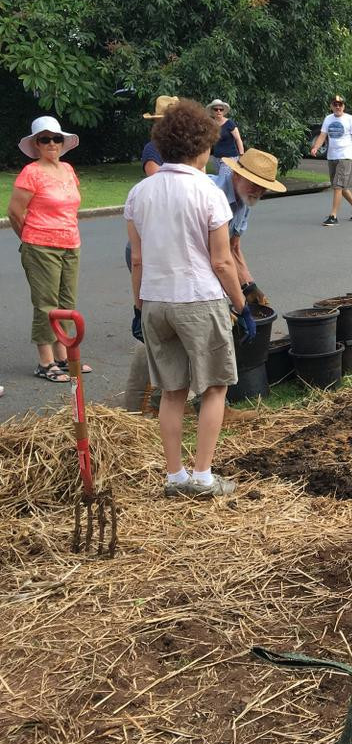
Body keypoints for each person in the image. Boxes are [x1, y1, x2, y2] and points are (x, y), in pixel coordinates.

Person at [124, 99, 256, 498]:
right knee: (214, 387)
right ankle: (202, 476)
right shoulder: (208, 191)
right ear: (203, 145)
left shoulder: (139, 192)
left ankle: (174, 476)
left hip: (156, 300)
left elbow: (138, 259)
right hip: (198, 299)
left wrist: (138, 307)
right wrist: (241, 304)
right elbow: (221, 261)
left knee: (171, 390)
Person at [8, 116, 89, 383]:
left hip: (70, 244)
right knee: (46, 305)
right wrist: (31, 240)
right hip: (41, 246)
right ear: (36, 144)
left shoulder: (67, 169)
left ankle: (63, 357)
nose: (52, 143)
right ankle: (45, 362)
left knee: (67, 303)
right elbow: (15, 213)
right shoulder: (31, 172)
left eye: (56, 138)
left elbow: (71, 206)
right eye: (45, 139)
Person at [122, 96, 179, 411]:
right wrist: (137, 305)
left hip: (164, 247)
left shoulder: (176, 153)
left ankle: (157, 402)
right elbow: (160, 184)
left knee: (163, 327)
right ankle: (134, 408)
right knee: (149, 330)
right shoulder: (152, 151)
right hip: (149, 247)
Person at [211, 147, 284, 306]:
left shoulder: (245, 199)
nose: (260, 192)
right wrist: (240, 304)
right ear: (236, 175)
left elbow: (233, 247)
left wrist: (249, 286)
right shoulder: (212, 195)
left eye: (264, 187)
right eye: (255, 184)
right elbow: (217, 260)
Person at [310, 94, 352, 227]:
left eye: (340, 104)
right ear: (331, 106)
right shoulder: (328, 119)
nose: (338, 107)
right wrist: (316, 147)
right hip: (332, 156)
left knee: (338, 186)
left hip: (345, 156)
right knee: (340, 186)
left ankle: (333, 216)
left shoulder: (350, 120)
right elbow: (322, 136)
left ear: (344, 106)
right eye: (335, 104)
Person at [207, 99, 244, 169]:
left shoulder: (229, 123)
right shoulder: (211, 124)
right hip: (216, 158)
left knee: (222, 179)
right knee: (223, 178)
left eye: (221, 109)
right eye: (216, 109)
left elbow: (238, 139)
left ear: (223, 111)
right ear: (212, 111)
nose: (218, 111)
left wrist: (241, 155)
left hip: (230, 158)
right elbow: (209, 142)